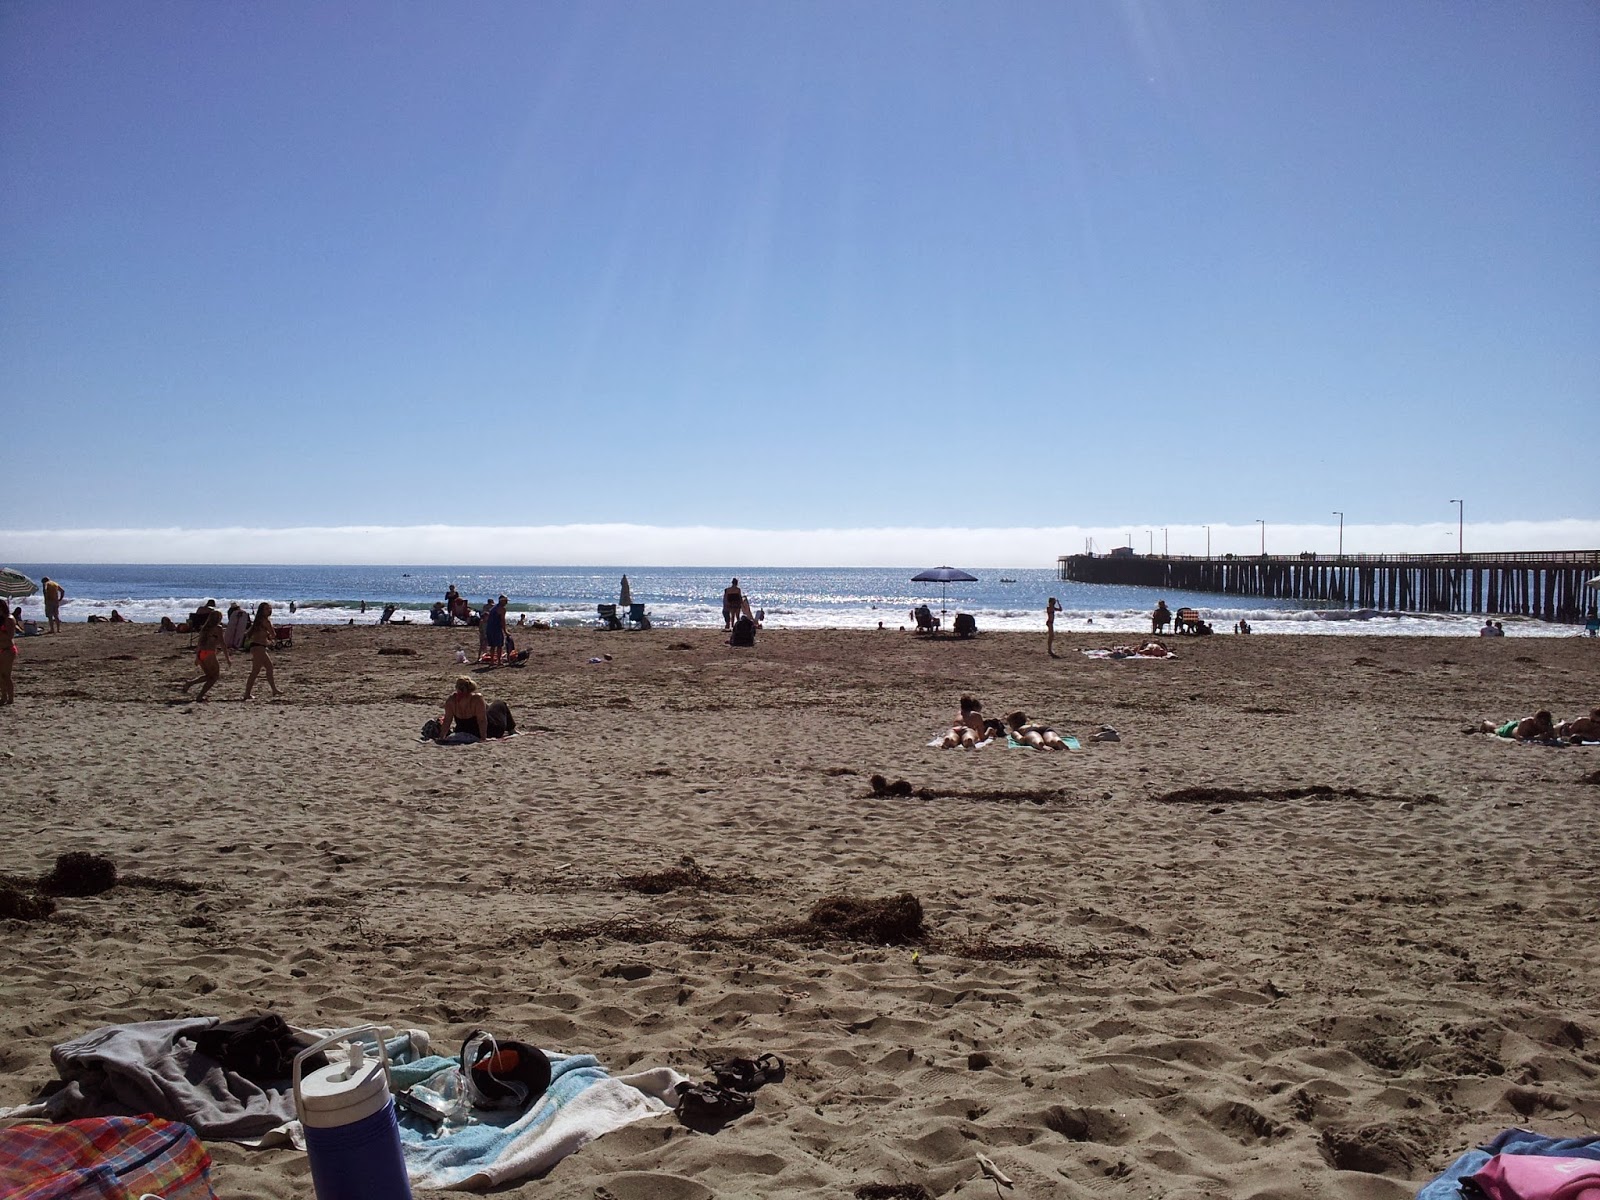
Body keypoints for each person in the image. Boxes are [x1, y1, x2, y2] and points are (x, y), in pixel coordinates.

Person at [435, 676, 516, 742]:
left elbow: (447, 721)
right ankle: (511, 729)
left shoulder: (451, 700)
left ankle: (510, 728)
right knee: (500, 703)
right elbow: (482, 720)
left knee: (486, 707)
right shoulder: (477, 698)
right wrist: (483, 738)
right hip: (488, 731)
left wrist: (442, 737)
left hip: (462, 730)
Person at [179, 609, 230, 702]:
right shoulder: (218, 628)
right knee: (214, 677)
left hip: (201, 653)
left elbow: (199, 644)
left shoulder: (204, 628)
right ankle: (200, 696)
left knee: (209, 676)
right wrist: (228, 659)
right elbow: (223, 644)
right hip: (209, 654)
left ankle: (190, 683)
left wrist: (197, 657)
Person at [241, 602, 280, 700]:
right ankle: (247, 693)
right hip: (259, 647)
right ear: (262, 611)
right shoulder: (266, 621)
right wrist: (270, 637)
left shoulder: (257, 621)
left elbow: (248, 633)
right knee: (260, 670)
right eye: (267, 609)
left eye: (270, 608)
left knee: (264, 669)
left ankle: (274, 689)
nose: (269, 610)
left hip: (257, 647)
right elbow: (273, 634)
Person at [1005, 710, 1070, 751]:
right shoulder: (1031, 724)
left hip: (1030, 731)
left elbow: (1021, 740)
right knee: (1051, 738)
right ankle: (1057, 741)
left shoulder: (1016, 730)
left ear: (1012, 724)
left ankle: (1042, 745)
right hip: (1044, 728)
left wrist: (1024, 739)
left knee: (1035, 739)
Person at [483, 595, 508, 665]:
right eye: (505, 601)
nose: (506, 603)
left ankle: (492, 661)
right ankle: (499, 661)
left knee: (492, 646)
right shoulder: (502, 609)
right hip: (496, 628)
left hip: (489, 628)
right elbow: (503, 620)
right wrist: (505, 631)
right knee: (499, 645)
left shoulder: (494, 608)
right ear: (502, 601)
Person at [0, 604, 17, 705]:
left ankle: (10, 698)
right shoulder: (1, 619)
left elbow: (10, 636)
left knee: (6, 675)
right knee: (0, 676)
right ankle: (3, 697)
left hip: (8, 650)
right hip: (1, 649)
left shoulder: (9, 619)